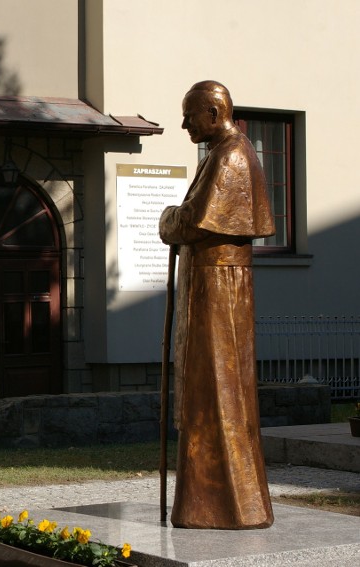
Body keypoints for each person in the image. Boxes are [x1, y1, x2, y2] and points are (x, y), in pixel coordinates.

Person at [159, 80, 275, 530]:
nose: (184, 123)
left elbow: (192, 221)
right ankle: (208, 504)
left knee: (218, 389)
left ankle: (230, 505)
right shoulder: (219, 153)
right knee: (207, 390)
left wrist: (168, 219)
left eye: (189, 115)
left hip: (220, 285)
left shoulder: (231, 155)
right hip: (209, 279)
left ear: (213, 111)